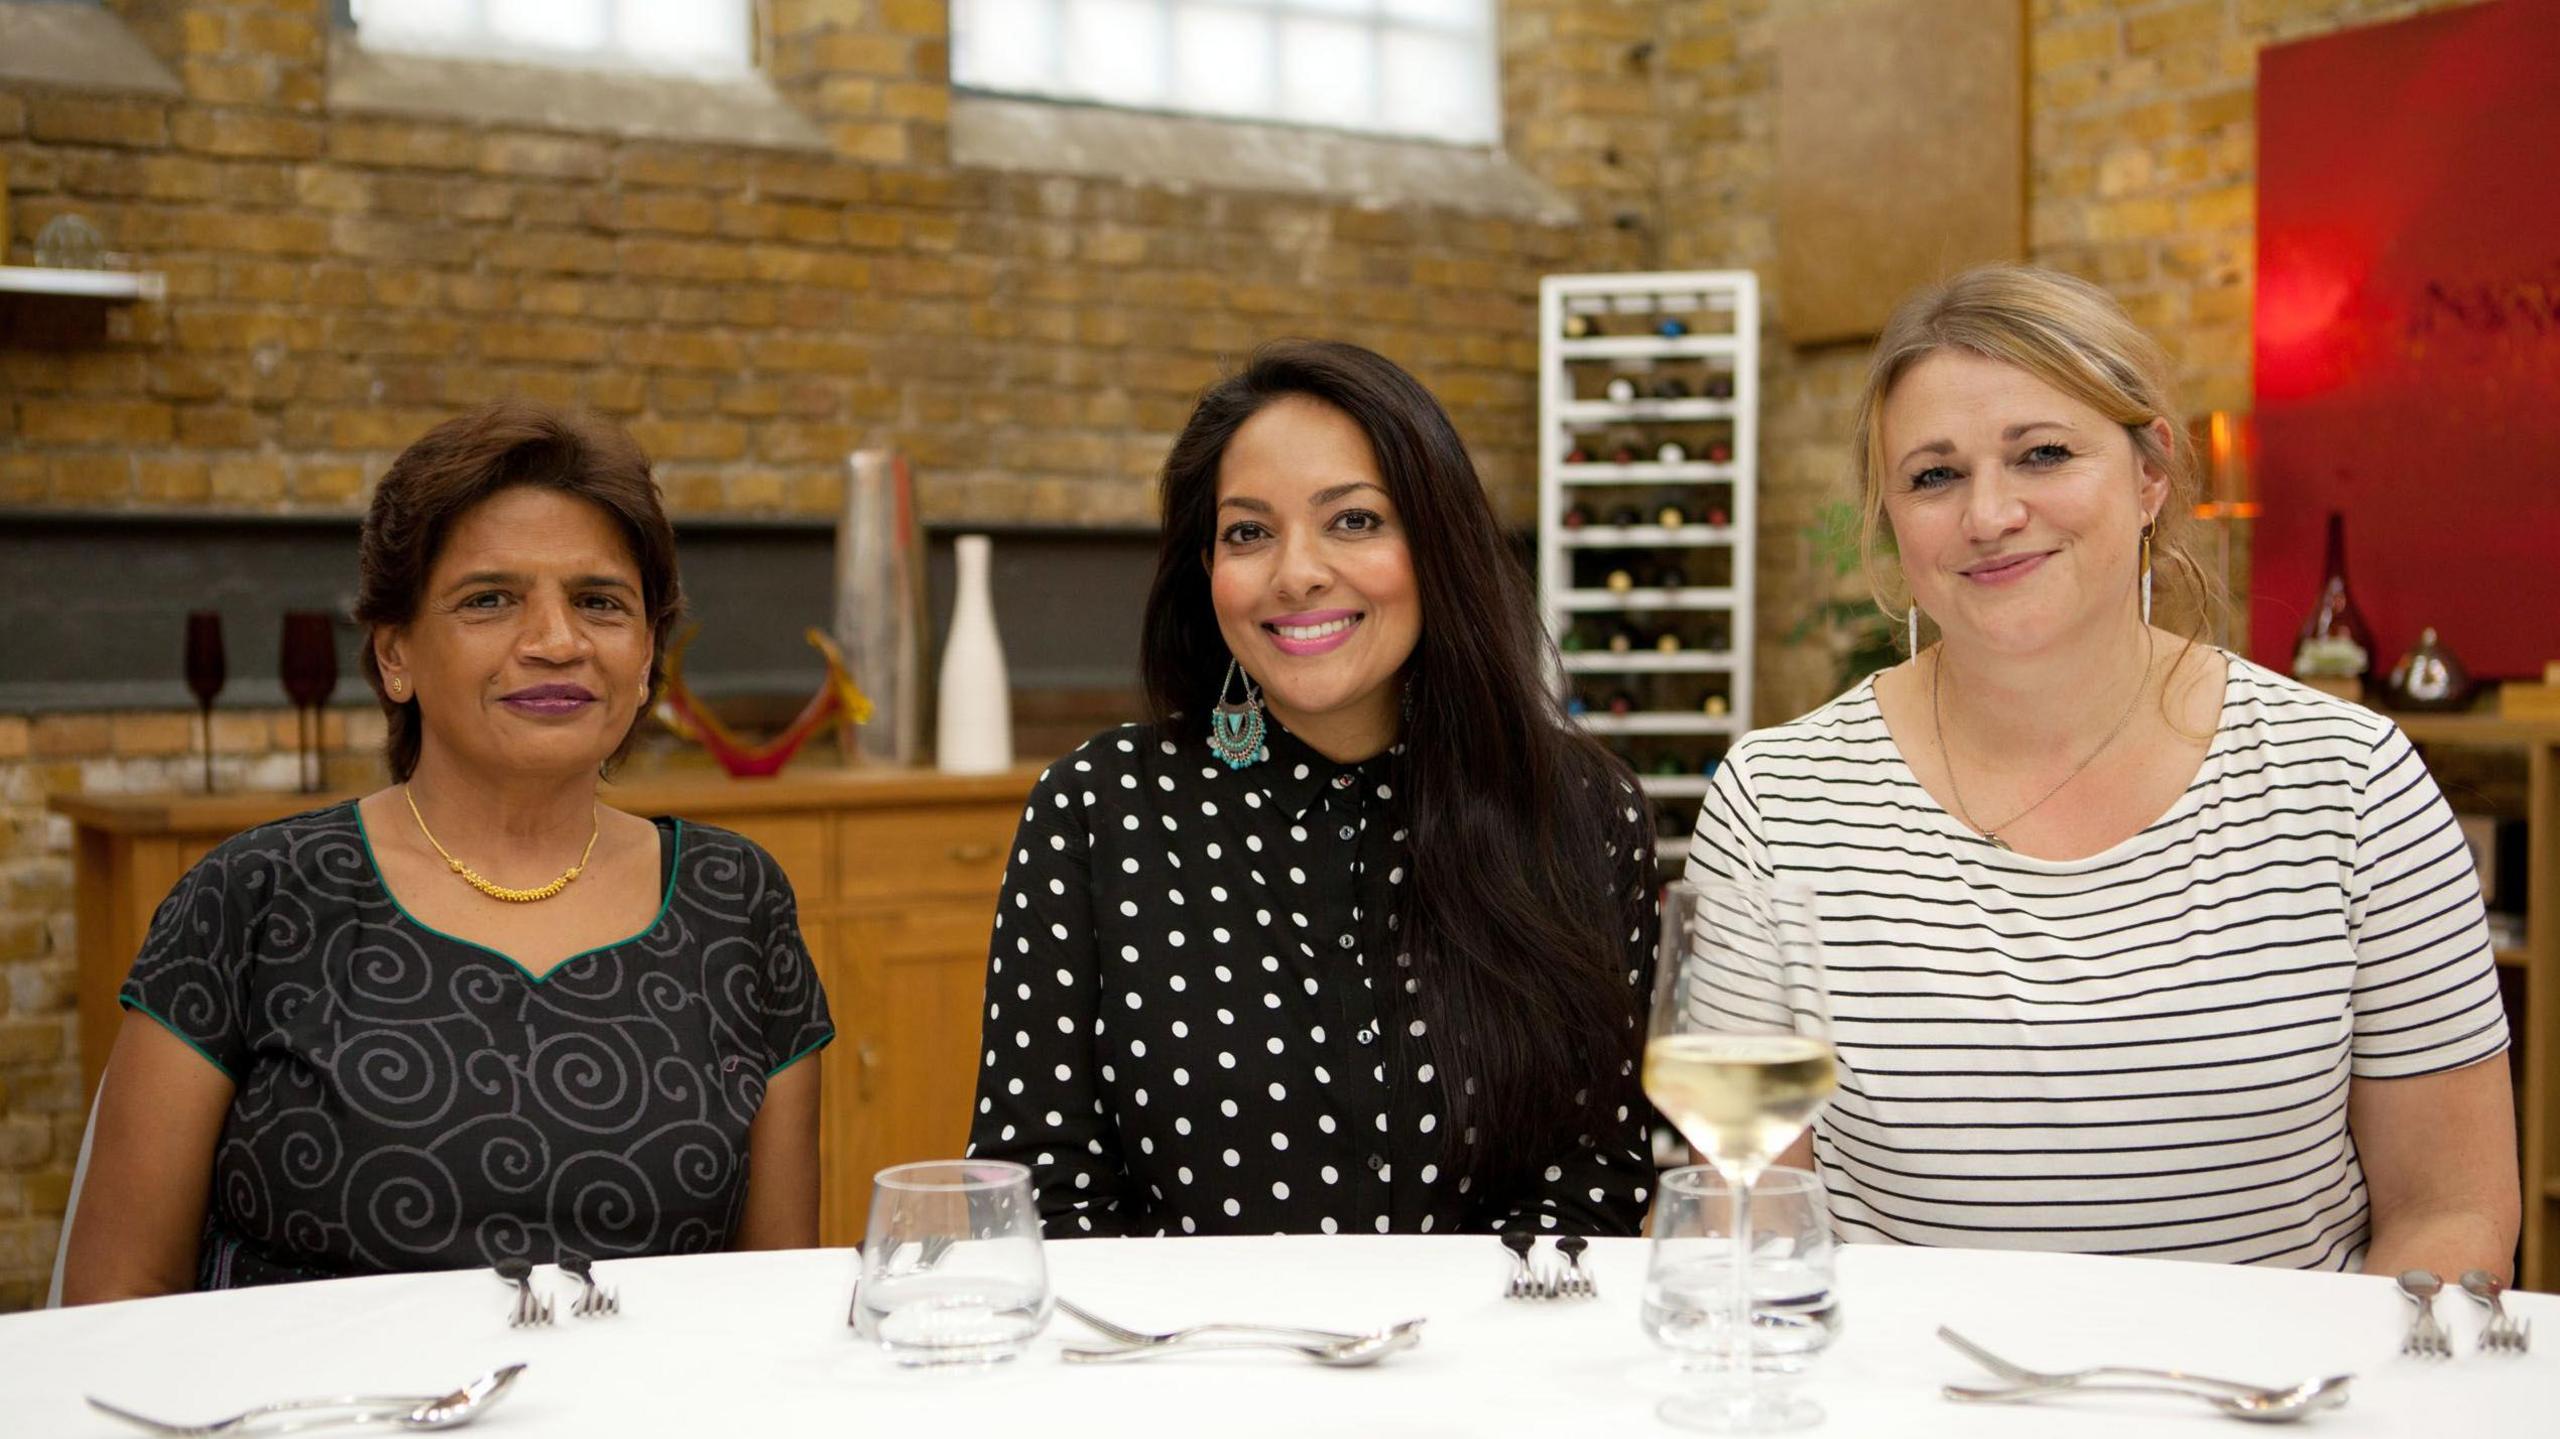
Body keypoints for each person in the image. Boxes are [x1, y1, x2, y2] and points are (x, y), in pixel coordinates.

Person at [1689, 265, 2517, 1275]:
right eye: (1933, 475)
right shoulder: (1778, 801)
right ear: (1891, 519)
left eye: (2041, 454)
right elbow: (1746, 1214)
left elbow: (2452, 1214)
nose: (1989, 514)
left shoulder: (2352, 781)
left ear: (2149, 472)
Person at [61, 402, 832, 1300]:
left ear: (648, 646)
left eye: (598, 602)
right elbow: (114, 1303)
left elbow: (777, 1302)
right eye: (490, 600)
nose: (556, 642)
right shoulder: (258, 896)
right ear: (395, 655)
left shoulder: (732, 899)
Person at [967, 340, 1657, 1238]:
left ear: (1436, 543)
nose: (1296, 572)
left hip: (1484, 1367)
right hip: (1177, 1365)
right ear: (1203, 569)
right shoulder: (1096, 809)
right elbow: (1037, 1196)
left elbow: (1596, 1183)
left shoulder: (1582, 812)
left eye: (1354, 521)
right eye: (1249, 531)